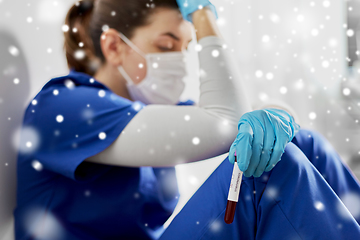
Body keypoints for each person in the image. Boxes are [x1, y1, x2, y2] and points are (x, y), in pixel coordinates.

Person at [13, 0, 360, 239]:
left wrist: (281, 116)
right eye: (166, 46)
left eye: (185, 48)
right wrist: (202, 18)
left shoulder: (148, 114)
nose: (180, 60)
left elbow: (246, 122)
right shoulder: (63, 106)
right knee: (260, 171)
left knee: (301, 143)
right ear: (114, 46)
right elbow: (226, 122)